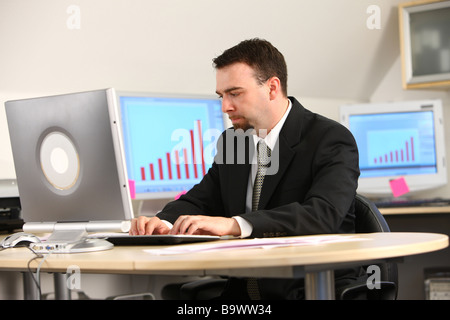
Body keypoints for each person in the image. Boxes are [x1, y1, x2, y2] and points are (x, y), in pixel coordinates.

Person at [130, 38, 361, 299]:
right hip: (243, 293)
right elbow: (201, 199)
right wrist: (160, 222)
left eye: (235, 93)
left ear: (272, 88)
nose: (225, 106)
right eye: (221, 96)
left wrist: (235, 225)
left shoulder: (328, 138)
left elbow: (322, 215)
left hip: (309, 290)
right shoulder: (233, 141)